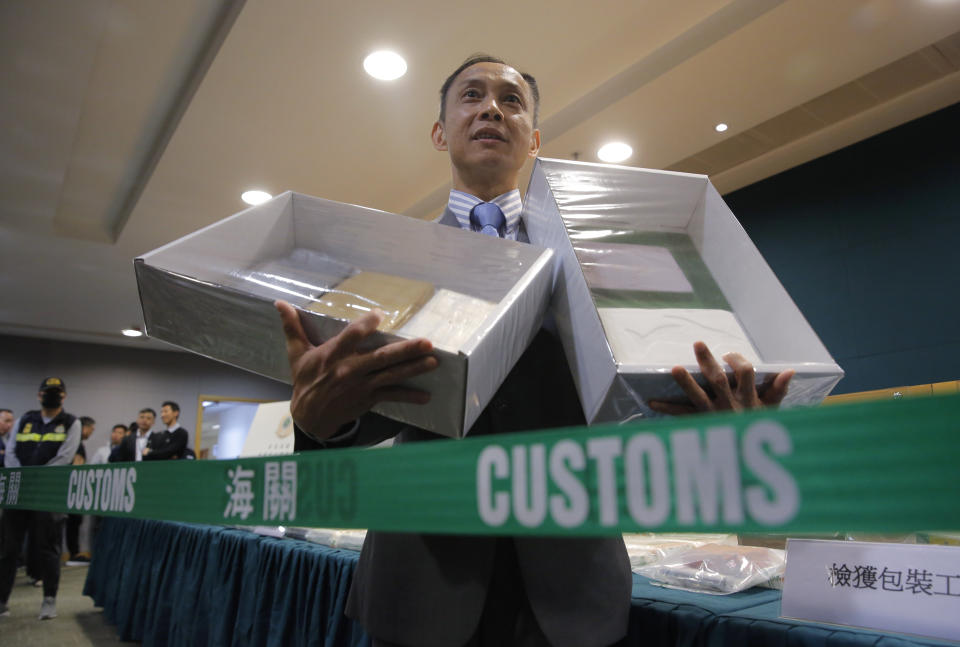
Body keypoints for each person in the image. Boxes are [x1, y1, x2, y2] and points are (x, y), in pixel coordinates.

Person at [276, 55, 792, 647]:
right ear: (440, 132)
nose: (492, 108)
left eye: (511, 101)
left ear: (534, 138)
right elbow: (361, 403)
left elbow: (629, 407)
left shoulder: (598, 264)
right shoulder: (391, 261)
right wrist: (320, 425)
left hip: (571, 588)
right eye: (471, 95)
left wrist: (714, 431)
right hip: (422, 582)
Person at [0, 377, 81, 620]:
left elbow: (65, 457)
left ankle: (49, 600)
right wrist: (21, 476)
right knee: (8, 548)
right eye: (47, 392)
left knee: (47, 549)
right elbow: (11, 451)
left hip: (48, 494)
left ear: (64, 396)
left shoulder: (71, 422)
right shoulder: (26, 419)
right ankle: (2, 600)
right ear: (39, 395)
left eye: (56, 392)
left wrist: (38, 478)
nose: (51, 396)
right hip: (20, 492)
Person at [64, 416, 95, 565]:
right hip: (72, 491)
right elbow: (77, 469)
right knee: (73, 521)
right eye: (91, 430)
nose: (91, 433)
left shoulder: (73, 443)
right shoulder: (77, 444)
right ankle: (74, 553)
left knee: (73, 522)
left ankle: (73, 552)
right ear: (85, 428)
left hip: (69, 490)